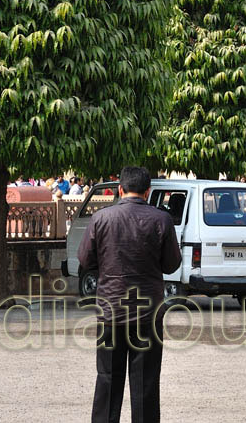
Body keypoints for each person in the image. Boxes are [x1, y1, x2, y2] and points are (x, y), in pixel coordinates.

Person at [78, 166, 181, 423]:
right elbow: (171, 264)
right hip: (147, 313)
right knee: (145, 383)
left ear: (120, 189)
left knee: (107, 379)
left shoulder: (101, 218)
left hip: (111, 310)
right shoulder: (161, 220)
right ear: (148, 192)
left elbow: (85, 260)